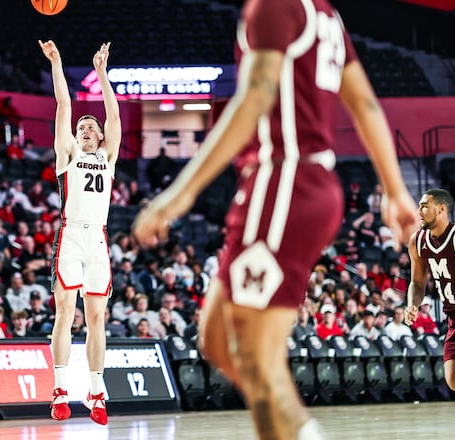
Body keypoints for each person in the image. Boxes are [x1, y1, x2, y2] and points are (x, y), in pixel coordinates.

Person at [131, 0, 419, 437]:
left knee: (255, 360)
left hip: (285, 180)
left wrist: (179, 193)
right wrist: (395, 191)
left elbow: (258, 92)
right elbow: (365, 105)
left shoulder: (273, 5)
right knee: (217, 341)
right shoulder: (324, 13)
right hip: (302, 184)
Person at [39, 39, 121, 426]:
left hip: (99, 240)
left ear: (101, 138)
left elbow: (114, 115)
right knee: (65, 313)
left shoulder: (108, 157)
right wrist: (58, 63)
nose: (86, 129)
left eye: (92, 127)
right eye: (81, 128)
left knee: (97, 319)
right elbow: (64, 105)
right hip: (71, 236)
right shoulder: (67, 154)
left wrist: (102, 74)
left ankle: (96, 390)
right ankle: (59, 390)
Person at [404, 188, 455, 393]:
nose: (419, 211)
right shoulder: (417, 242)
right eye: (419, 206)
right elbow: (417, 283)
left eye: (425, 206)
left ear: (442, 209)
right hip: (452, 312)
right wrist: (412, 304)